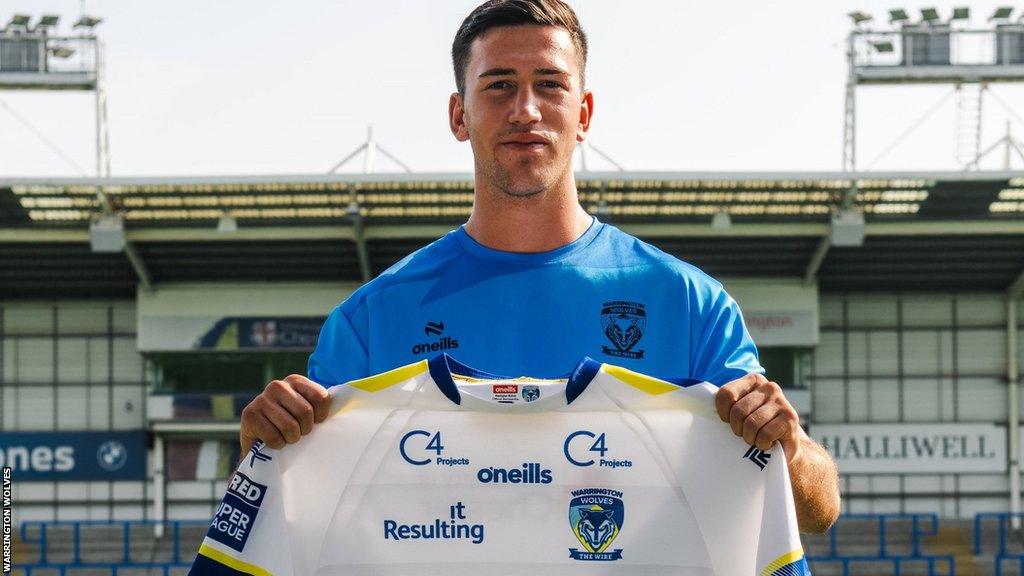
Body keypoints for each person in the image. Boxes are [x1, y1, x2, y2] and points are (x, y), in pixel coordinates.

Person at [239, 0, 840, 533]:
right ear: (458, 115)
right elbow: (300, 515)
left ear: (584, 113)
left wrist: (784, 446)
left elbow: (818, 511)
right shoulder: (373, 318)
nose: (525, 109)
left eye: (550, 85)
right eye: (499, 85)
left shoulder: (686, 302)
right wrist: (264, 449)